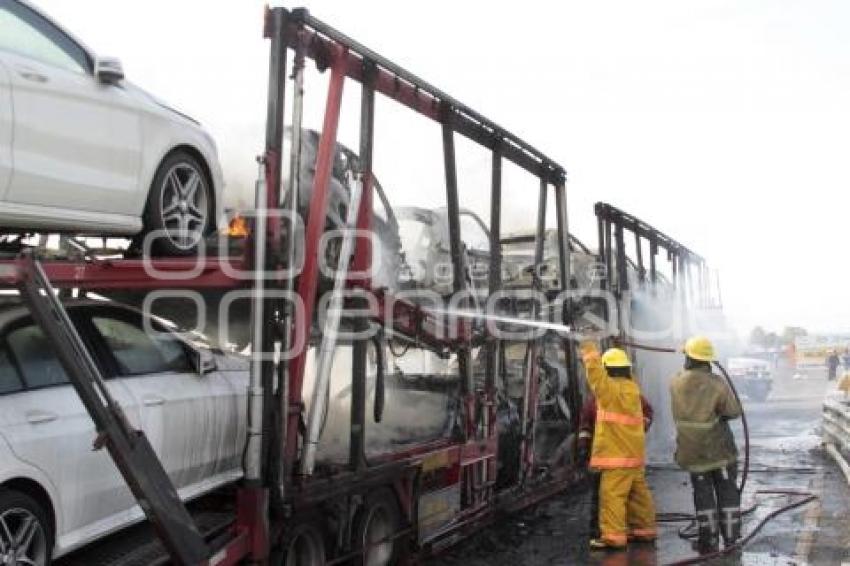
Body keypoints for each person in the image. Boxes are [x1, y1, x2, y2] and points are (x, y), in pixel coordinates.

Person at [579, 343, 656, 550]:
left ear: (608, 369)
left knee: (612, 496)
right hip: (634, 457)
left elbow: (595, 377)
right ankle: (644, 530)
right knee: (639, 496)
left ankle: (613, 537)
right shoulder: (632, 390)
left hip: (615, 458)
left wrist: (588, 349)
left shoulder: (609, 391)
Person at [670, 336, 743, 554]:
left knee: (702, 494)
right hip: (719, 451)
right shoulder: (716, 383)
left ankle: (708, 540)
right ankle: (731, 539)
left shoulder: (675, 381)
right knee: (727, 492)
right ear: (707, 360)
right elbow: (733, 411)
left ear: (689, 358)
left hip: (691, 453)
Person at [578, 392, 654, 541]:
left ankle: (611, 532)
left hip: (611, 457)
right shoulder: (602, 397)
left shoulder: (600, 397)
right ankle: (604, 530)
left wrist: (584, 446)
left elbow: (647, 414)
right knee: (613, 496)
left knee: (610, 496)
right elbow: (586, 424)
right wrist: (583, 446)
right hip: (614, 457)